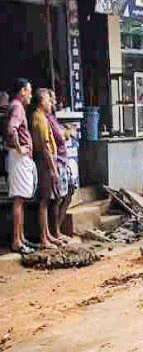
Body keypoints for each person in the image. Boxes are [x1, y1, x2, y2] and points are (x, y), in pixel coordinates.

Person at [5, 79, 37, 253]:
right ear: (23, 91)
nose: (31, 95)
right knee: (18, 200)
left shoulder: (16, 106)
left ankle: (21, 238)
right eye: (29, 91)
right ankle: (17, 241)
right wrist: (19, 147)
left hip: (19, 157)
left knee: (21, 199)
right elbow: (12, 129)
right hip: (18, 157)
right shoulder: (17, 107)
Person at [30, 88, 63, 249]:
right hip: (44, 162)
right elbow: (45, 147)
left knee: (49, 199)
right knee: (44, 201)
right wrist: (53, 168)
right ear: (41, 101)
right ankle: (44, 238)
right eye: (48, 100)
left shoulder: (42, 117)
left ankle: (48, 234)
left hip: (46, 161)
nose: (51, 103)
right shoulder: (39, 119)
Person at [46, 89, 76, 244]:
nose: (54, 102)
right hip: (57, 160)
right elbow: (60, 136)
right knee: (58, 197)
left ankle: (58, 229)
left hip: (64, 159)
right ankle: (55, 231)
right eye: (51, 100)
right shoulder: (46, 119)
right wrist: (67, 133)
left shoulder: (53, 117)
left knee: (68, 193)